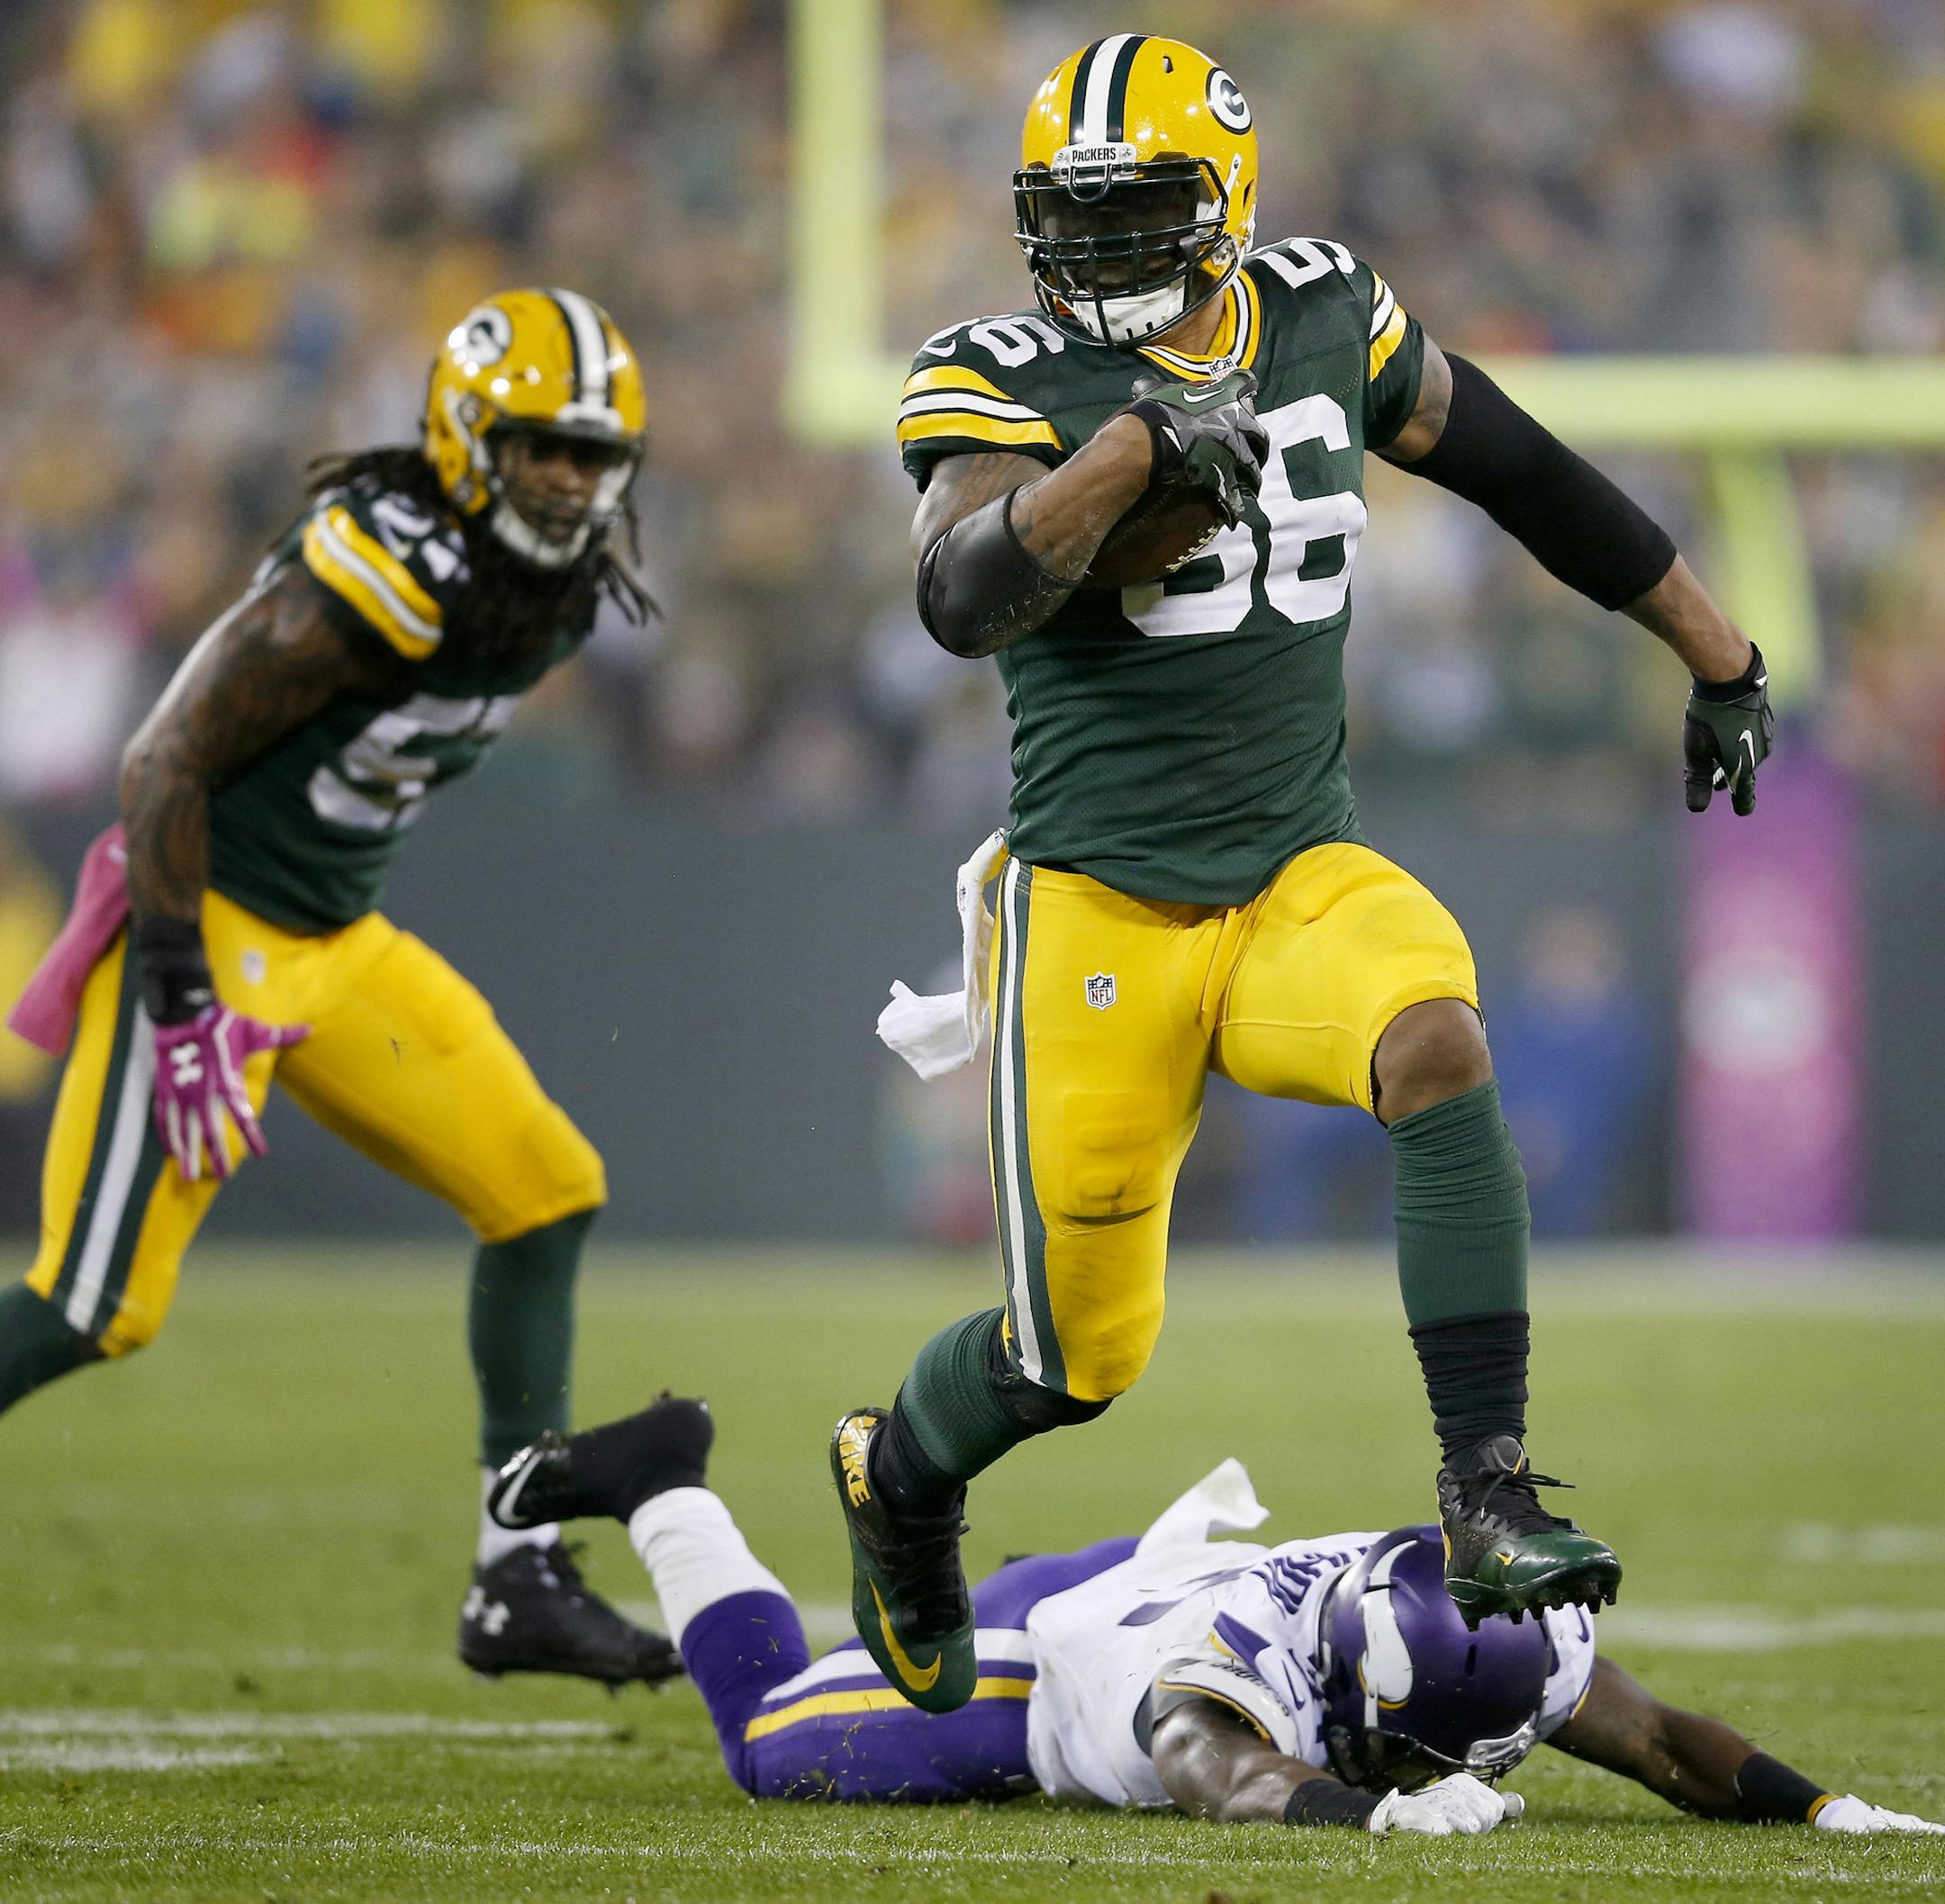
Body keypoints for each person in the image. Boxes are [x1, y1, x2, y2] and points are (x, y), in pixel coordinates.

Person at [844, 33, 1775, 1711]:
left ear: (1227, 202)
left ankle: (1485, 1490)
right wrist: (1126, 455)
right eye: (1075, 218)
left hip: (1291, 877)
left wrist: (1718, 654)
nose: (1104, 254)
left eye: (1140, 215)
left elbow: (1526, 476)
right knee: (1073, 1359)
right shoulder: (989, 367)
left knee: (1437, 1035)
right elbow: (961, 597)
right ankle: (898, 1479)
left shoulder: (1329, 311)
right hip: (1098, 907)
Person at [1, 289, 676, 1691]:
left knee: (546, 1190)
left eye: (592, 454)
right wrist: (181, 993)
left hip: (334, 939)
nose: (569, 477)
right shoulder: (383, 565)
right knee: (94, 1304)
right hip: (220, 931)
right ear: (465, 434)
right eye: (542, 445)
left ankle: (518, 1579)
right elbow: (161, 762)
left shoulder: (551, 569)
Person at [490, 1398, 1940, 1837]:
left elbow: (1659, 1740)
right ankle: (664, 1486)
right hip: (1046, 1661)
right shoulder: (1234, 1682)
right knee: (763, 1745)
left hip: (1156, 1569)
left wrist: (1821, 1813)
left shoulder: (1479, 1622)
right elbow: (1219, 1767)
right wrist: (1366, 1819)